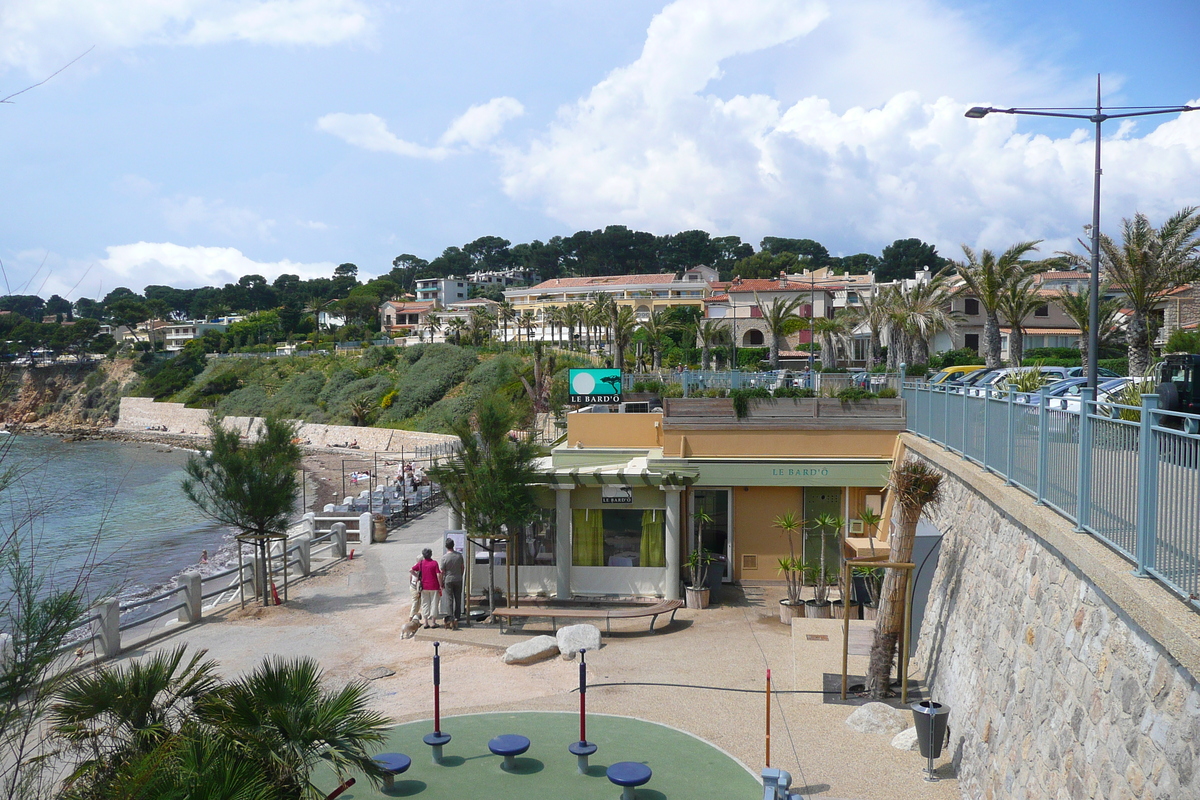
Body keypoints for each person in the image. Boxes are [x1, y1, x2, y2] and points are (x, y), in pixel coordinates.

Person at [410, 548, 442, 628]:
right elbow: (438, 574)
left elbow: (411, 570)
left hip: (424, 586)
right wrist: (441, 584)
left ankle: (426, 622)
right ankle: (433, 622)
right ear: (431, 554)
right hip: (434, 586)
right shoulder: (434, 563)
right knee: (434, 603)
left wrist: (418, 577)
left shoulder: (421, 563)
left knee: (425, 604)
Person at [439, 538, 465, 630]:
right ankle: (457, 617)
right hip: (458, 578)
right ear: (453, 545)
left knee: (449, 599)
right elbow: (462, 567)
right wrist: (460, 575)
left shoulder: (444, 558)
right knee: (458, 598)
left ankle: (450, 617)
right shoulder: (459, 556)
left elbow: (442, 571)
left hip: (448, 579)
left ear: (446, 546)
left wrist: (441, 582)